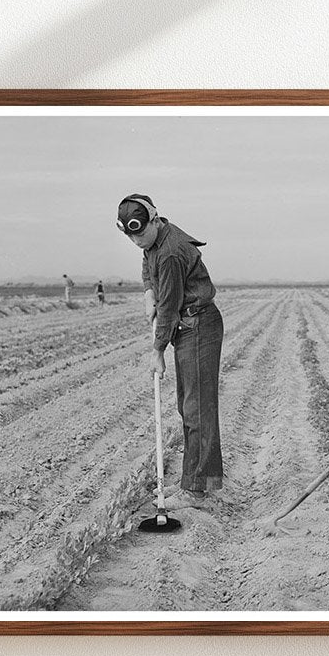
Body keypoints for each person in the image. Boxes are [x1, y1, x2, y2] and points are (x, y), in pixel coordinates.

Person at [117, 193, 224, 509]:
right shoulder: (154, 241)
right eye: (131, 236)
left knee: (197, 408)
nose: (137, 241)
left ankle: (197, 491)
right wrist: (148, 291)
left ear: (154, 219)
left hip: (198, 325)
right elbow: (146, 263)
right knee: (188, 406)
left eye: (140, 233)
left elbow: (168, 308)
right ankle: (193, 481)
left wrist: (157, 351)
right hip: (189, 326)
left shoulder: (171, 253)